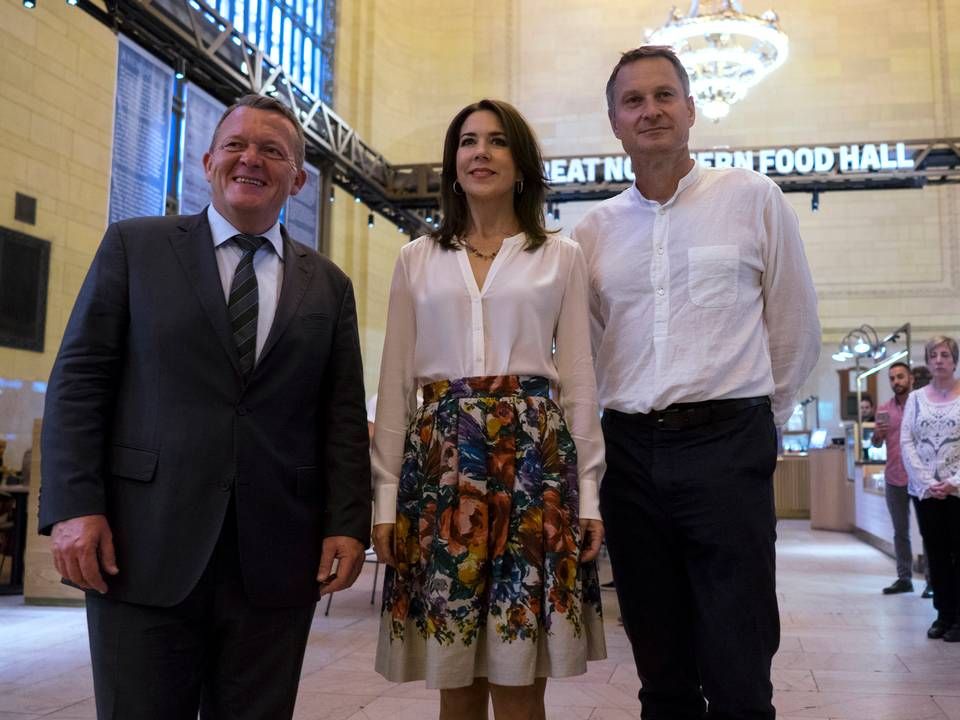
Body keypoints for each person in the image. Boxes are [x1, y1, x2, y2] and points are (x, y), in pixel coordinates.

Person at [39, 94, 372, 719]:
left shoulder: (328, 284)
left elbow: (342, 417)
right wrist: (74, 507)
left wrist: (347, 522)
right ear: (207, 160)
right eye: (237, 145)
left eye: (273, 151)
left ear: (297, 179)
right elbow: (80, 381)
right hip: (142, 545)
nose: (252, 159)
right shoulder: (135, 247)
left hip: (276, 556)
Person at [573, 46, 820, 720]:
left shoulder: (750, 198)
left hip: (727, 443)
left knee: (739, 665)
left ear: (691, 107)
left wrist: (758, 421)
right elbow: (588, 354)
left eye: (663, 96)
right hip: (628, 453)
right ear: (614, 122)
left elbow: (794, 323)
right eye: (633, 101)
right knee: (659, 662)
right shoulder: (592, 233)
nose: (650, 110)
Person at [370, 99, 606, 720]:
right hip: (441, 465)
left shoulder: (561, 255)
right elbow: (395, 380)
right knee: (455, 674)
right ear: (452, 163)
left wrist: (590, 493)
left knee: (523, 675)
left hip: (534, 468)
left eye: (497, 141)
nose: (481, 152)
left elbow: (579, 380)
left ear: (520, 163)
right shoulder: (416, 259)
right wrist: (385, 497)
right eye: (468, 141)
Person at [901, 336, 960, 642]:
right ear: (927, 361)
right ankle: (943, 614)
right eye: (933, 355)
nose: (939, 360)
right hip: (925, 491)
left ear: (954, 360)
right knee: (935, 554)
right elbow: (907, 441)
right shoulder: (915, 399)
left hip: (957, 491)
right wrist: (926, 480)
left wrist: (954, 481)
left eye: (945, 355)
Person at [872, 363, 919, 594]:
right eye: (892, 378)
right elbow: (876, 443)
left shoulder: (922, 405)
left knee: (928, 531)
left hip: (921, 478)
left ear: (910, 378)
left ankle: (932, 581)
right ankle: (904, 578)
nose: (896, 382)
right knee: (900, 532)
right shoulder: (884, 409)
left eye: (900, 377)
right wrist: (877, 435)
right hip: (894, 477)